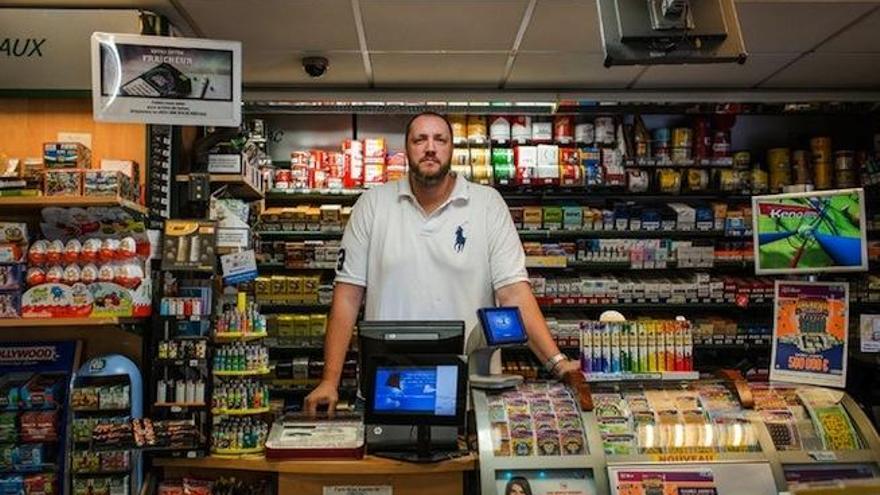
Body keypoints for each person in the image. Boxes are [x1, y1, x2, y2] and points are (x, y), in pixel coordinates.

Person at [304, 111, 579, 414]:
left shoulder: (487, 205)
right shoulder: (372, 205)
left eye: (440, 139)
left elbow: (514, 293)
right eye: (420, 139)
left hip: (472, 393)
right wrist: (329, 381)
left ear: (452, 149)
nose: (430, 147)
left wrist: (558, 363)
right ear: (406, 149)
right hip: (389, 389)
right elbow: (347, 296)